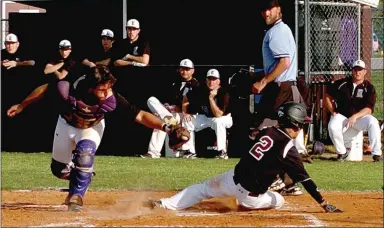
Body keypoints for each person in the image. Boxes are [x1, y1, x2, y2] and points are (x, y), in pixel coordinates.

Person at [7, 65, 179, 212]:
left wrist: (167, 127)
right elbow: (44, 89)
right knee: (58, 170)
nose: (106, 93)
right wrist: (21, 105)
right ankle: (83, 175)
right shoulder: (71, 88)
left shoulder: (113, 99)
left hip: (91, 128)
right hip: (66, 125)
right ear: (91, 87)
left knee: (85, 154)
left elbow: (140, 116)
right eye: (101, 89)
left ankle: (76, 197)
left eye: (108, 88)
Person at [150, 102, 343, 214]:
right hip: (250, 196)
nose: (301, 128)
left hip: (231, 178)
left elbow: (264, 155)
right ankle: (245, 205)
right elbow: (305, 179)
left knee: (202, 189)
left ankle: (165, 204)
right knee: (279, 200)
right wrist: (323, 203)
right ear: (294, 124)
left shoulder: (267, 131)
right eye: (300, 125)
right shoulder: (289, 148)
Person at [250, 0, 306, 194]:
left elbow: (284, 63)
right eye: (264, 10)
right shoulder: (279, 30)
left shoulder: (277, 31)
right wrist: (259, 75)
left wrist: (264, 81)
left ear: (278, 10)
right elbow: (278, 64)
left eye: (270, 9)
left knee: (267, 133)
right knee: (275, 135)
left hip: (281, 89)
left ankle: (278, 179)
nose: (266, 13)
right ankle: (288, 182)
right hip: (282, 87)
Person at [141, 58, 200, 159]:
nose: (184, 71)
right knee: (151, 100)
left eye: (187, 69)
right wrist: (166, 106)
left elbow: (195, 104)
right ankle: (153, 153)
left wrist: (181, 109)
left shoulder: (196, 85)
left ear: (192, 70)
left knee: (161, 121)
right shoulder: (175, 82)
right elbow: (167, 98)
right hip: (171, 114)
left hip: (185, 115)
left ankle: (154, 151)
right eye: (182, 69)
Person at [324, 59, 382, 162]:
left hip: (360, 118)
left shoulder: (369, 87)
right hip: (342, 116)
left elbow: (369, 109)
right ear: (352, 71)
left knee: (373, 122)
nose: (357, 72)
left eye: (360, 70)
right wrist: (332, 111)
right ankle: (341, 152)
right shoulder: (343, 83)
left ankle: (376, 154)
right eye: (355, 69)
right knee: (332, 126)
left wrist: (355, 117)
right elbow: (327, 95)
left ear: (365, 71)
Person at [181, 69, 233, 159]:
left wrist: (211, 98)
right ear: (206, 80)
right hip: (207, 117)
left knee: (218, 121)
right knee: (187, 120)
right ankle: (189, 151)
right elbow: (186, 98)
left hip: (225, 118)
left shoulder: (224, 93)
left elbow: (219, 114)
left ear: (218, 81)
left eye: (214, 79)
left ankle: (222, 152)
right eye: (209, 79)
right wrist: (185, 113)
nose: (211, 82)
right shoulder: (201, 90)